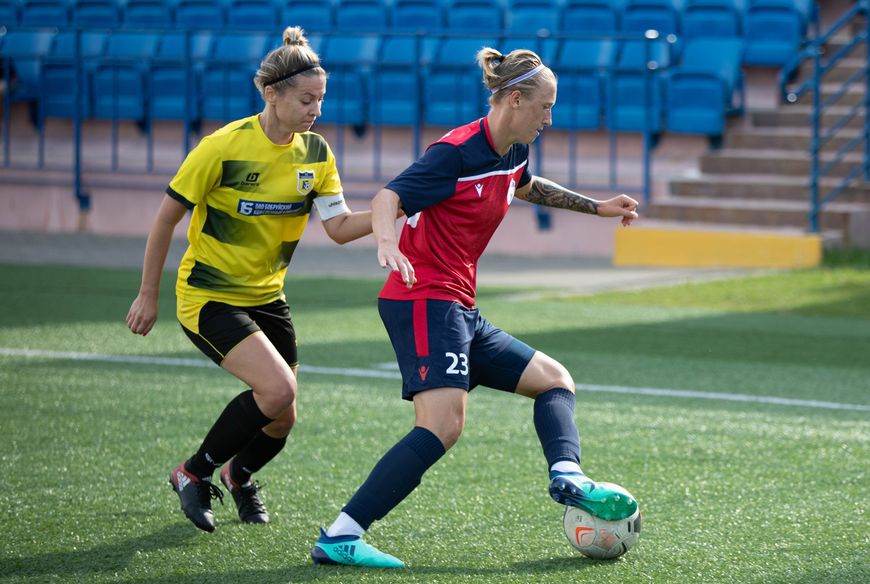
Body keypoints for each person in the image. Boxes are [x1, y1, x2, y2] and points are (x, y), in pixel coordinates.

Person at [311, 47, 641, 568]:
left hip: (458, 306)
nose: (549, 118)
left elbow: (526, 185)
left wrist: (596, 207)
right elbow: (386, 199)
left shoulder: (513, 149)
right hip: (422, 297)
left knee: (554, 380)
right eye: (545, 107)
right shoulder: (455, 152)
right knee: (442, 425)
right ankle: (341, 536)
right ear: (516, 99)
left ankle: (567, 474)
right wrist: (387, 244)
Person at [126, 26, 373, 533]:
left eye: (321, 99)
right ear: (271, 93)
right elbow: (165, 219)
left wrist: (398, 209)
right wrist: (148, 294)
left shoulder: (316, 154)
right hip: (208, 295)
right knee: (278, 390)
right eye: (306, 99)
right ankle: (193, 473)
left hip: (267, 297)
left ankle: (239, 476)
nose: (316, 110)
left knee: (283, 416)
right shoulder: (222, 147)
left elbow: (340, 227)